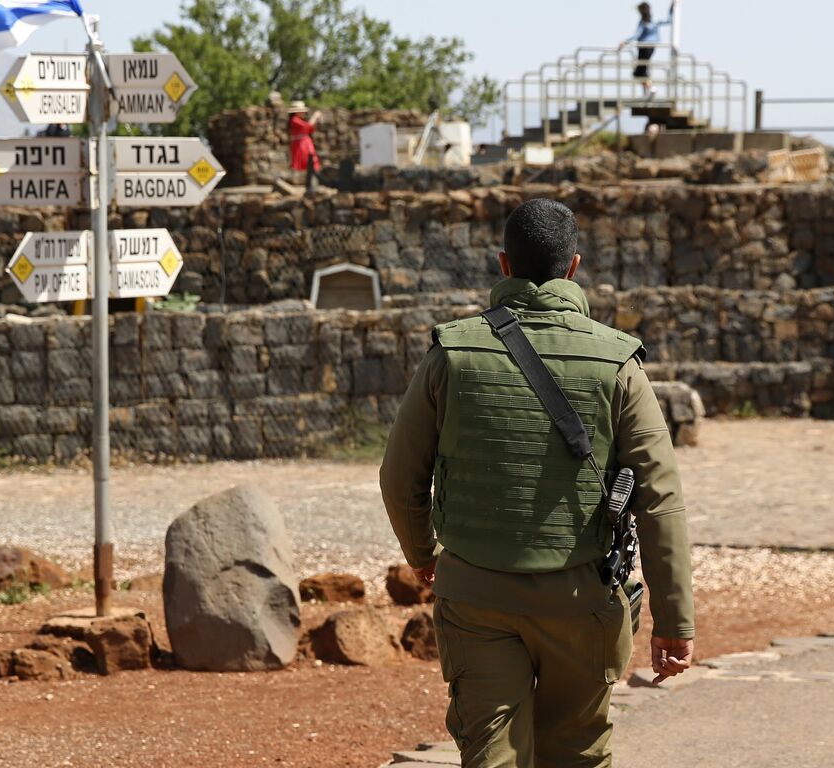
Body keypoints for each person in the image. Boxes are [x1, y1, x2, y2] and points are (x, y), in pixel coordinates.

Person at [380, 198, 697, 768]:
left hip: (476, 598)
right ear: (574, 267)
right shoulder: (618, 361)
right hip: (583, 602)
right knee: (577, 754)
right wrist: (675, 622)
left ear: (504, 264)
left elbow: (400, 476)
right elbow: (659, 499)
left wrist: (422, 554)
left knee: (491, 755)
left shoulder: (451, 354)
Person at [617, 3, 672, 100]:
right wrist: (671, 9)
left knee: (639, 72)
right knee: (643, 70)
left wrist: (625, 42)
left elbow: (636, 35)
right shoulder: (654, 22)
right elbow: (669, 20)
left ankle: (651, 88)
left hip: (643, 47)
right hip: (651, 48)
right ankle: (647, 92)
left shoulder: (643, 23)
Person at [288, 101, 324, 193]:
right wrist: (315, 117)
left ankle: (312, 184)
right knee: (310, 162)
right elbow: (308, 127)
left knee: (312, 162)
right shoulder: (294, 120)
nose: (304, 113)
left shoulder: (298, 120)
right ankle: (312, 185)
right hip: (302, 145)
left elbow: (310, 129)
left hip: (305, 143)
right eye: (302, 111)